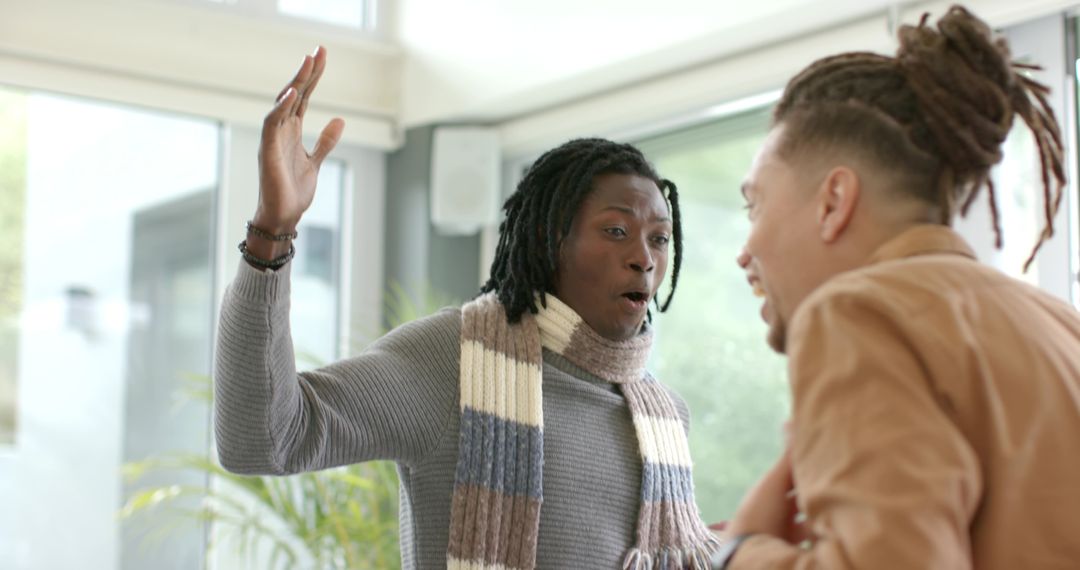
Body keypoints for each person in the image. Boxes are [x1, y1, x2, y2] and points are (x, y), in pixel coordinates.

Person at [214, 47, 720, 569]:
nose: (644, 258)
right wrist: (271, 232)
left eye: (660, 238)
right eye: (615, 230)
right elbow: (263, 439)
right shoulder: (451, 363)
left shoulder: (665, 418)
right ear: (549, 239)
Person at [714, 5, 1080, 569]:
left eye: (755, 205)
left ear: (833, 202)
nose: (746, 250)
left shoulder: (857, 313)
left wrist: (741, 554)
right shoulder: (1060, 324)